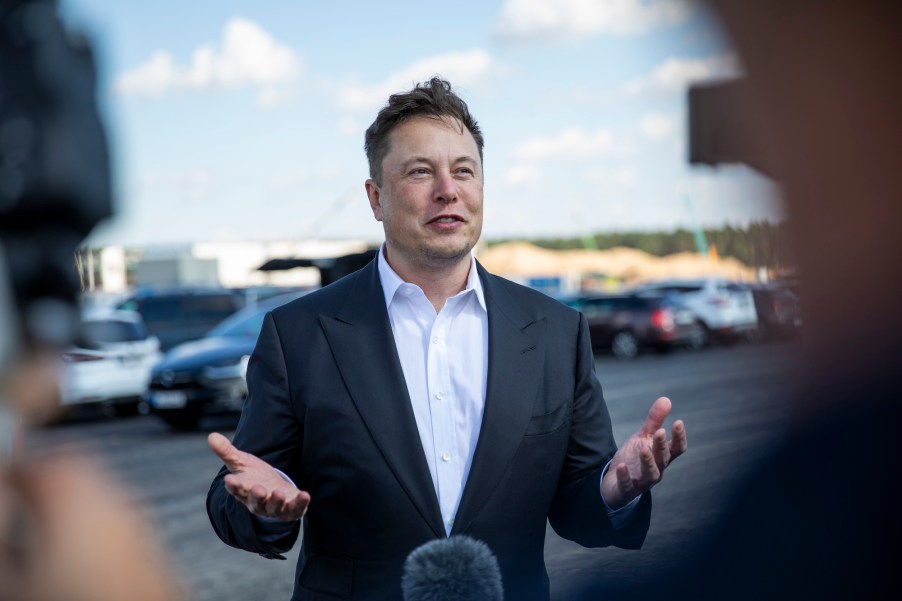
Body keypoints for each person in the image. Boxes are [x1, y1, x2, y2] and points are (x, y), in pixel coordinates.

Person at [206, 77, 687, 601]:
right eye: (420, 171)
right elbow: (242, 492)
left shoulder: (555, 331)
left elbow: (579, 506)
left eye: (464, 170)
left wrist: (616, 488)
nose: (447, 189)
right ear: (375, 197)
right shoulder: (298, 333)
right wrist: (258, 507)